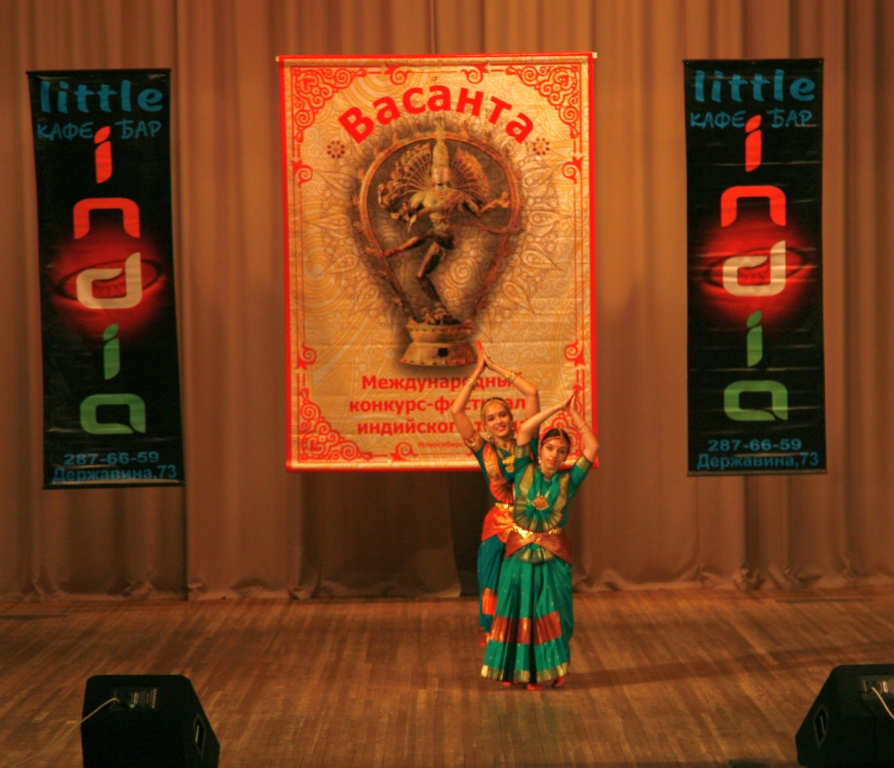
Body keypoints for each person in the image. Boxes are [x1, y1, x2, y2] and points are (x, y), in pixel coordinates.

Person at [481, 392, 598, 691]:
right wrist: (556, 408)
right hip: (519, 551)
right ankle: (510, 668)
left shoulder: (568, 480)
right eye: (549, 447)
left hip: (552, 555)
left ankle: (548, 671)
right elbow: (524, 431)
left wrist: (574, 417)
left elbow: (593, 447)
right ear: (541, 449)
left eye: (561, 451)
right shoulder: (524, 469)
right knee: (514, 609)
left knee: (552, 613)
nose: (554, 455)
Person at [449, 343, 540, 645]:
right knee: (491, 584)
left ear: (512, 419)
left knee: (525, 585)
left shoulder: (527, 443)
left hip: (528, 524)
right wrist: (476, 373)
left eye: (503, 415)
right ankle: (494, 638)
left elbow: (532, 394)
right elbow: (456, 411)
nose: (499, 421)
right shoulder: (484, 450)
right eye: (491, 418)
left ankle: (525, 639)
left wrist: (497, 369)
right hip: (497, 526)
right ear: (485, 426)